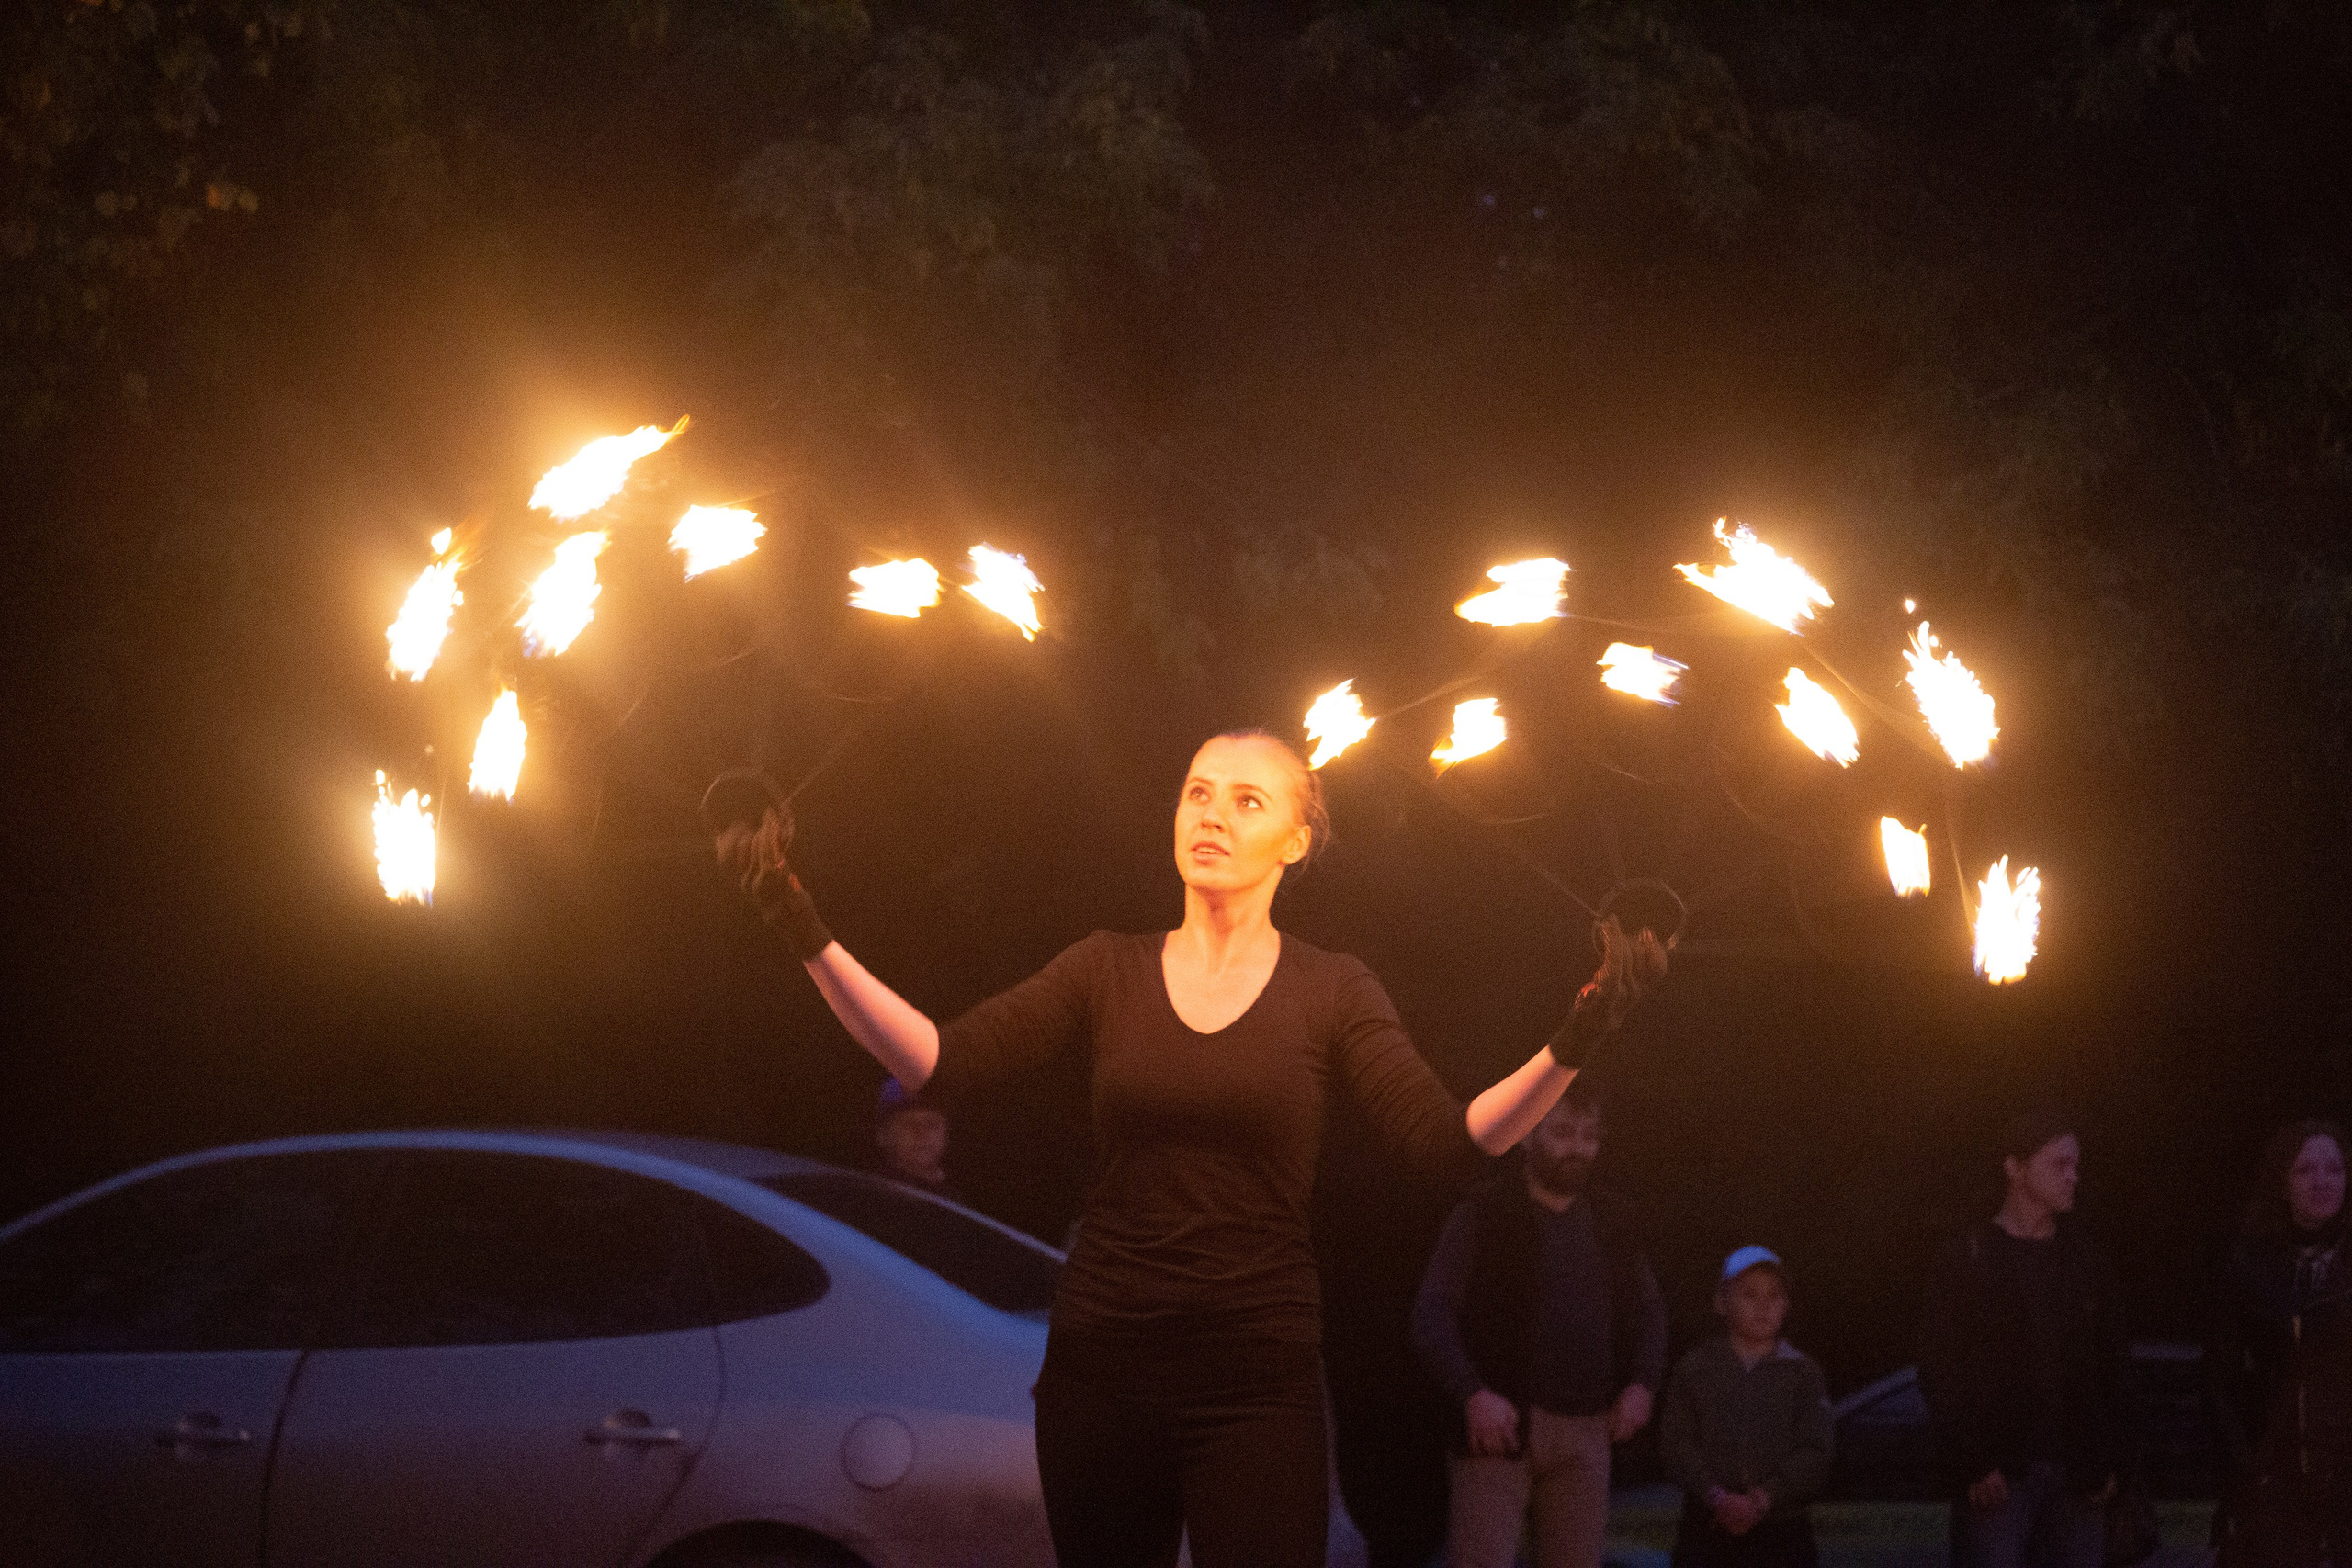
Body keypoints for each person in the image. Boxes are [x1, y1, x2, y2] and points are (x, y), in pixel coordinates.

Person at [709, 730, 1668, 1568]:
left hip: (1256, 1381)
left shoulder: (1331, 988)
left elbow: (1446, 1145)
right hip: (1101, 1375)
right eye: (1197, 792)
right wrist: (799, 922)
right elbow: (938, 1063)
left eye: (1246, 801)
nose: (1210, 815)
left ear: (1294, 841)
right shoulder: (1105, 966)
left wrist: (1578, 1034)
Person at [1409, 1076, 1668, 1568]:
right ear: (1529, 1134)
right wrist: (1472, 1393)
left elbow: (1652, 1309)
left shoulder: (1614, 1221)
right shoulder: (1485, 1210)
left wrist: (1642, 1385)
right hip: (1503, 1430)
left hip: (1589, 1430)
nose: (1579, 1148)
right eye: (1564, 1133)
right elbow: (1431, 1312)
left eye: (1589, 1136)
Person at [1917, 1110, 2129, 1568]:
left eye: (2077, 1164)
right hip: (2000, 1478)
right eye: (2060, 1163)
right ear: (2015, 1168)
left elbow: (2112, 1366)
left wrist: (2110, 1458)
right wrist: (1972, 1460)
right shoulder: (1970, 1256)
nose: (2074, 1176)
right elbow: (1940, 1367)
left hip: (2078, 1474)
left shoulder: (2086, 1260)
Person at [2206, 1117, 2349, 1568]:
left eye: (2334, 1168)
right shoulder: (2249, 1265)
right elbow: (2220, 1379)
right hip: (2273, 1487)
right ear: (2282, 1181)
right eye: (2306, 1170)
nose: (2322, 1181)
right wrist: (2250, 1469)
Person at [1660, 1247, 1835, 1568]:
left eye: (1775, 1295)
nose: (1763, 1306)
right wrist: (1716, 1496)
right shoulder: (1695, 1368)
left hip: (1783, 1531)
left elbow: (1815, 1450)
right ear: (1722, 1302)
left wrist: (1761, 1499)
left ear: (1786, 1305)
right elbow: (1676, 1443)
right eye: (1749, 1294)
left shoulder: (1803, 1373)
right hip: (1707, 1530)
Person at [870, 1077, 957, 1199]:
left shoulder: (958, 1198)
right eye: (908, 1124)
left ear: (946, 1134)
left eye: (932, 1124)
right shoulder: (873, 1194)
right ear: (883, 1135)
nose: (921, 1133)